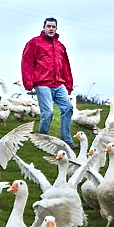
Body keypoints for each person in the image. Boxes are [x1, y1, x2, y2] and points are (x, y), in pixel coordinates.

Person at [21, 17, 79, 150]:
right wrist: (28, 82)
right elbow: (26, 62)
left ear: (56, 28)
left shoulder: (60, 46)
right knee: (48, 112)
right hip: (42, 83)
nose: (51, 29)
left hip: (59, 84)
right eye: (49, 26)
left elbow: (65, 66)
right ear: (44, 27)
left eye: (53, 27)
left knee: (68, 108)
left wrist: (69, 83)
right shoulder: (34, 43)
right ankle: (42, 139)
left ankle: (67, 141)